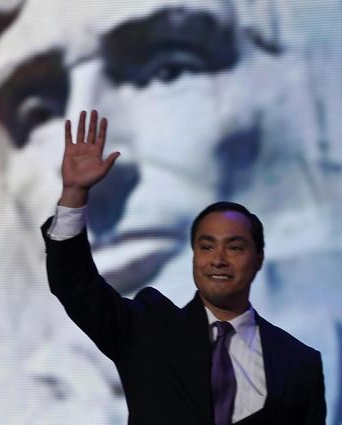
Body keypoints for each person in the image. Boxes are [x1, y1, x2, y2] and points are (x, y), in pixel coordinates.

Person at [41, 110, 326, 424]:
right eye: (206, 246)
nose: (218, 258)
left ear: (258, 257)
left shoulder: (299, 363)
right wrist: (74, 194)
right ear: (194, 257)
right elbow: (74, 284)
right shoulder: (145, 330)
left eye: (234, 247)